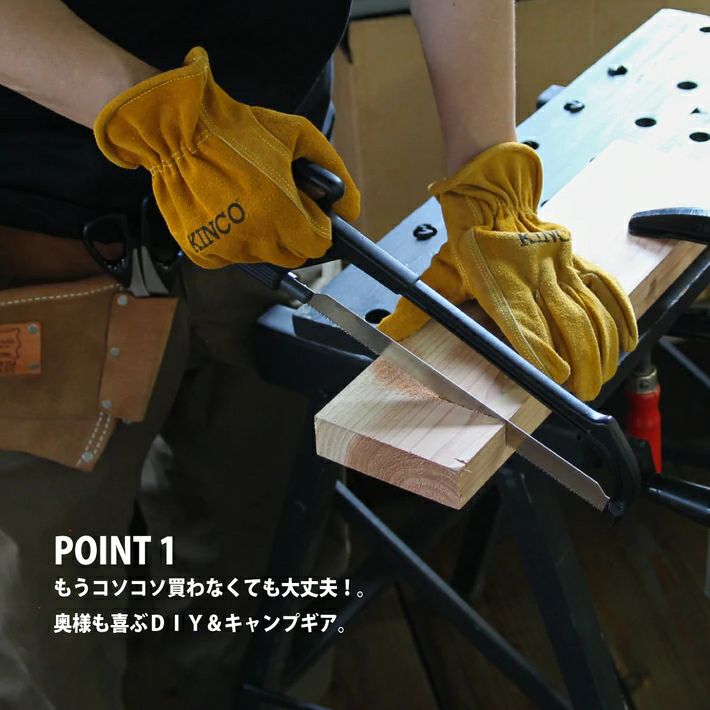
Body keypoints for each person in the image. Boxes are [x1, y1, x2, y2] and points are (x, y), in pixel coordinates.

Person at [0, 1, 637, 708]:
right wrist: (164, 119)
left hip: (271, 195)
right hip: (42, 230)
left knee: (270, 556)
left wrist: (488, 175)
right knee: (47, 606)